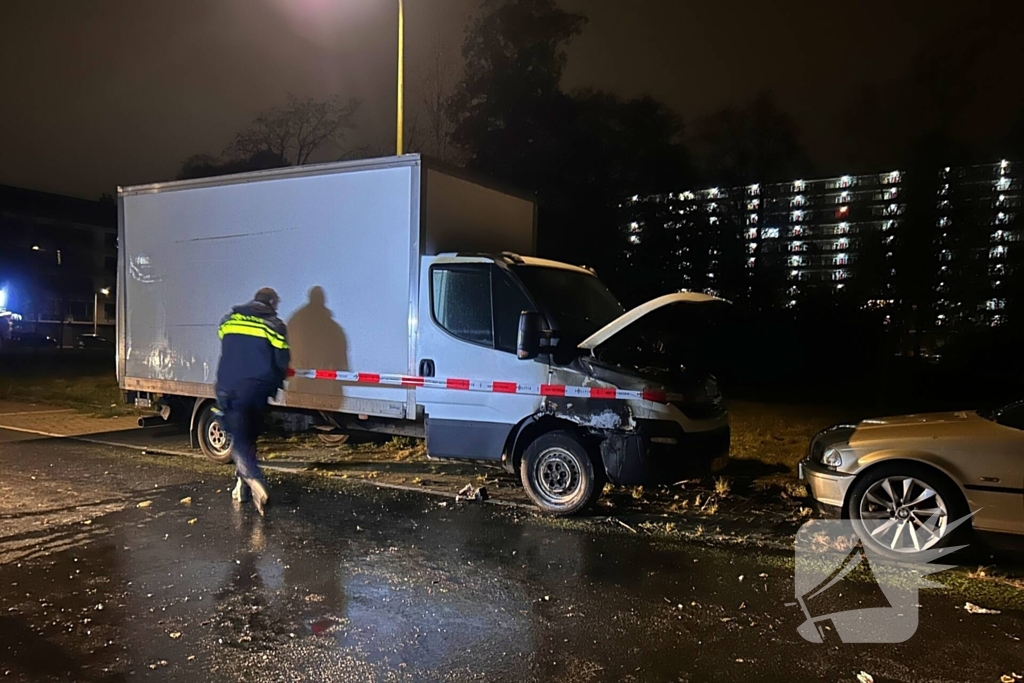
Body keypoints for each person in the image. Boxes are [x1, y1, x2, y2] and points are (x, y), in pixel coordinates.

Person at [215, 287, 290, 515]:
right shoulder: (275, 326)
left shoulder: (229, 320)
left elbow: (226, 343)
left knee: (239, 436)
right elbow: (282, 361)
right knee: (246, 436)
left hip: (228, 385)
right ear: (271, 303)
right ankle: (248, 482)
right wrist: (277, 380)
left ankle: (248, 482)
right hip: (256, 388)